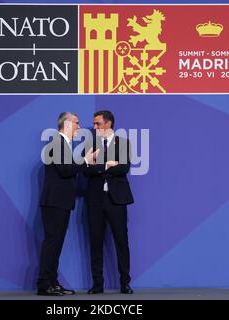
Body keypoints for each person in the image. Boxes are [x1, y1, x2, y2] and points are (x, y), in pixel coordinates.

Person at [37, 112, 98, 296]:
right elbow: (65, 171)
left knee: (56, 244)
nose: (79, 127)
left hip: (61, 202)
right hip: (55, 202)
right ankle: (44, 284)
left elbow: (67, 170)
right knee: (52, 243)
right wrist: (86, 161)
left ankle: (52, 282)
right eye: (77, 123)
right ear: (68, 124)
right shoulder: (57, 142)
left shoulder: (63, 144)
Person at [83, 110, 134, 294]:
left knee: (121, 241)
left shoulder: (123, 143)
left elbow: (124, 167)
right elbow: (85, 169)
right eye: (94, 124)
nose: (94, 127)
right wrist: (106, 165)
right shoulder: (90, 145)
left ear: (108, 123)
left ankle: (125, 283)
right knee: (95, 243)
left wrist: (99, 166)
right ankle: (97, 284)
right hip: (95, 200)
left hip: (116, 200)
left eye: (97, 124)